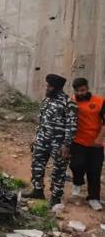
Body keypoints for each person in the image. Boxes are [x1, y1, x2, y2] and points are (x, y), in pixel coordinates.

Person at [23, 74, 77, 207]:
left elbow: (72, 125)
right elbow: (41, 121)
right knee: (37, 165)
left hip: (58, 143)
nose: (46, 88)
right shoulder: (46, 100)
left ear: (56, 88)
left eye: (49, 86)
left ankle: (55, 197)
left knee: (58, 169)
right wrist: (36, 137)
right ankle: (37, 190)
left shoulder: (68, 102)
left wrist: (66, 145)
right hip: (42, 139)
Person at [69, 78, 105, 211]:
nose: (81, 93)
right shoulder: (72, 102)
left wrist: (100, 138)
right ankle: (77, 183)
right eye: (78, 91)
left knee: (94, 170)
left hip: (96, 143)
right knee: (76, 164)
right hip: (78, 141)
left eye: (83, 90)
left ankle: (93, 198)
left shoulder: (99, 101)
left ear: (88, 88)